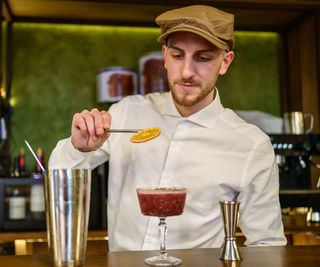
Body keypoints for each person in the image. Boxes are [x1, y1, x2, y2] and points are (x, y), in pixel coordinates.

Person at [49, 5, 287, 251]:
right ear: (164, 56)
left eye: (203, 58)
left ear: (225, 62)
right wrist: (79, 148)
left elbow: (267, 244)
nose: (186, 72)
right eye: (177, 56)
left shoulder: (251, 144)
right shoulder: (127, 112)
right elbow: (58, 176)